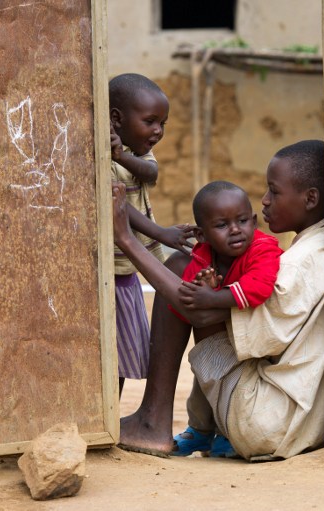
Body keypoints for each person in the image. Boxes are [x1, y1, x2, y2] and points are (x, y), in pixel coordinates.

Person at [112, 140, 324, 461]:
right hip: (293, 420)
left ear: (310, 198)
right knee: (197, 277)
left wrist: (127, 240)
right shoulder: (319, 246)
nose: (265, 200)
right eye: (222, 225)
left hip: (261, 419)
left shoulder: (298, 264)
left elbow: (200, 315)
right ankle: (189, 426)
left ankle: (153, 421)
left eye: (273, 191)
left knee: (180, 269)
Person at [168, 180, 284, 458]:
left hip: (258, 345)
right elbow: (190, 296)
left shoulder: (263, 249)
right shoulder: (203, 255)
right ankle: (200, 431)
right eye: (222, 225)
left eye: (242, 221)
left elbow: (258, 288)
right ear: (202, 235)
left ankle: (225, 433)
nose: (235, 230)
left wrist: (213, 297)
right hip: (222, 341)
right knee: (206, 375)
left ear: (253, 222)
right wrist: (204, 285)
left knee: (231, 385)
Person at [109, 73, 194, 396]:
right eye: (150, 122)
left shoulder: (133, 151)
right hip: (113, 266)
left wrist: (122, 156)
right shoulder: (98, 153)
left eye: (163, 124)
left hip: (130, 268)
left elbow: (151, 172)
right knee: (110, 351)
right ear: (117, 118)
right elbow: (118, 207)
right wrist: (162, 233)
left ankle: (112, 412)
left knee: (121, 354)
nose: (158, 131)